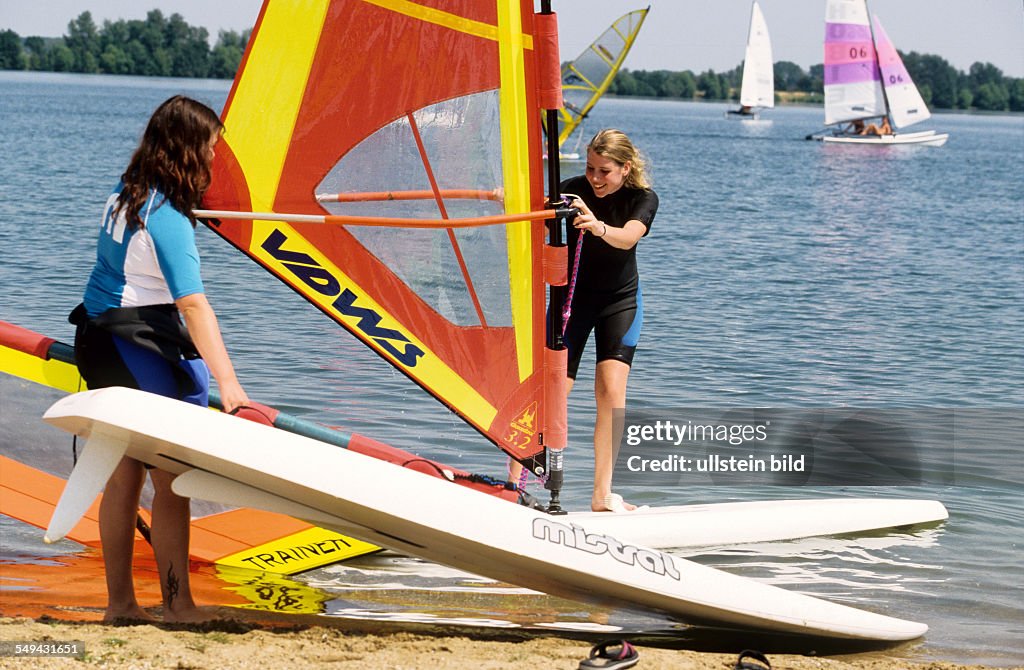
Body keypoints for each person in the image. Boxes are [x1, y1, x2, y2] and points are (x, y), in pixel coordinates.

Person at [70, 95, 249, 622]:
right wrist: (232, 388)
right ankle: (177, 605)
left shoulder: (125, 193)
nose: (215, 162)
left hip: (99, 340)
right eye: (212, 151)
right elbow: (194, 305)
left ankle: (121, 606)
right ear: (191, 151)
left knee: (124, 475)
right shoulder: (167, 219)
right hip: (133, 345)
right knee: (171, 476)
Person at [550, 129, 658, 512]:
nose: (595, 178)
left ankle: (601, 495)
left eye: (605, 171)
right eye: (591, 168)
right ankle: (516, 483)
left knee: (611, 394)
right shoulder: (573, 189)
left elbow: (628, 238)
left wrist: (596, 225)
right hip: (571, 303)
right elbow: (526, 203)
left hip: (619, 302)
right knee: (552, 394)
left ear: (625, 168)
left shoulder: (642, 199)